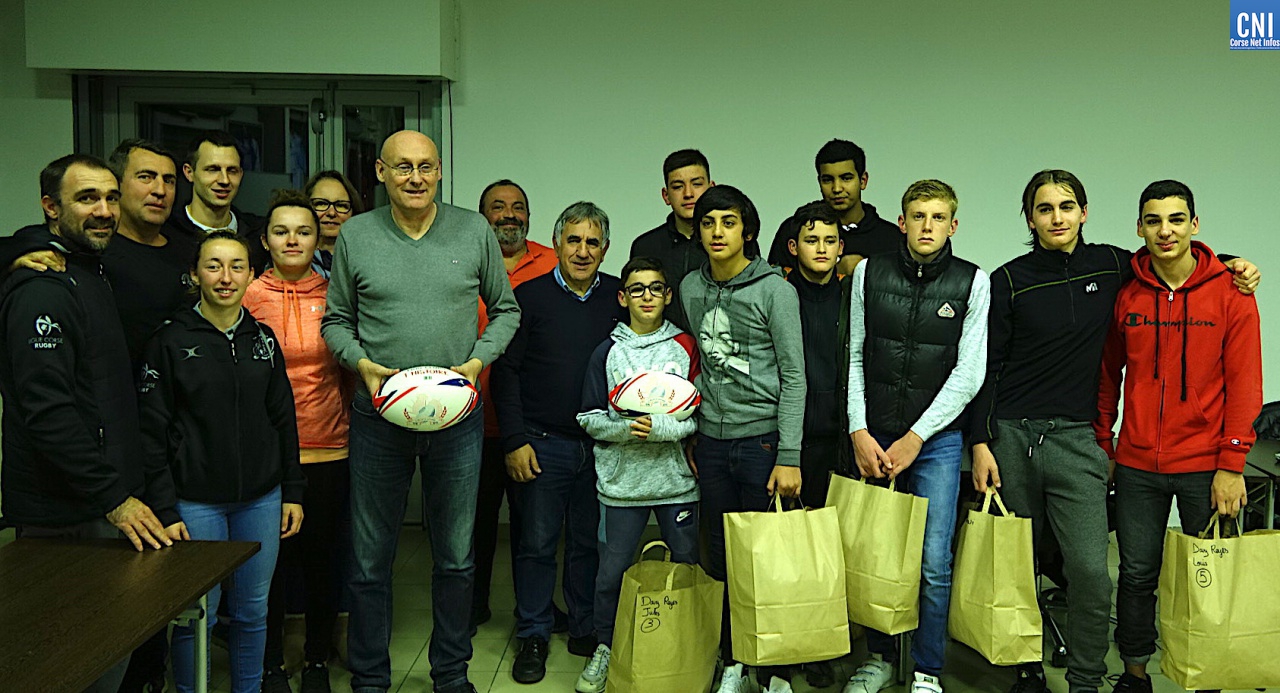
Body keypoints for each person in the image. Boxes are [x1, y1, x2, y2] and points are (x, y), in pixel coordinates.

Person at [968, 170, 1260, 693]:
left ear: (1084, 212)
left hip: (1107, 445)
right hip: (1029, 439)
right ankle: (1041, 671)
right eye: (1044, 208)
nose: (1057, 217)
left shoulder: (1115, 267)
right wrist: (982, 440)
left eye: (1067, 206)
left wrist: (1235, 263)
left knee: (1096, 571)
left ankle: (1089, 679)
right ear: (1029, 218)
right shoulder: (1016, 279)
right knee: (1026, 566)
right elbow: (990, 368)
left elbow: (1178, 264)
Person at [321, 130, 520, 693]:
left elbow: (506, 310)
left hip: (456, 419)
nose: (415, 177)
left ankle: (451, 674)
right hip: (377, 417)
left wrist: (476, 363)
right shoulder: (357, 235)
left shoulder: (473, 230)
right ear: (380, 172)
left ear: (439, 172)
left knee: (456, 557)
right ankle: (370, 678)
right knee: (369, 560)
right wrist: (360, 363)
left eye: (426, 166)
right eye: (403, 166)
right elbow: (336, 320)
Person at [0, 154, 178, 693]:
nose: (103, 210)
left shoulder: (89, 271)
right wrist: (115, 499)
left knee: (109, 658)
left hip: (102, 502)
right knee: (70, 664)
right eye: (86, 199)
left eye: (109, 198)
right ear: (50, 208)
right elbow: (48, 413)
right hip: (69, 516)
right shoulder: (41, 287)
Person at [1094, 180, 1262, 693]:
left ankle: (1208, 676)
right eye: (1153, 221)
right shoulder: (1128, 295)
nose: (1165, 231)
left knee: (1208, 577)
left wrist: (1232, 465)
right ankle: (1134, 674)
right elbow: (1107, 376)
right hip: (1138, 465)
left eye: (1175, 219)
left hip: (1206, 466)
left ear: (1194, 224)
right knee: (1136, 575)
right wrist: (1105, 444)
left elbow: (1246, 383)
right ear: (1139, 228)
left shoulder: (1231, 292)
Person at [137, 230, 305, 693]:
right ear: (195, 274)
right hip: (195, 503)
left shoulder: (263, 339)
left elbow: (283, 419)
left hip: (262, 499)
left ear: (251, 275)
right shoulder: (169, 341)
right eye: (213, 266)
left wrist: (292, 490)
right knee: (198, 614)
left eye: (236, 266)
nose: (225, 277)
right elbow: (151, 434)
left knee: (252, 612)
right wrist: (165, 508)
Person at [843, 180, 989, 693]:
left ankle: (927, 669)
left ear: (953, 225)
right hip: (873, 436)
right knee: (875, 554)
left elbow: (970, 374)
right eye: (918, 216)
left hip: (937, 443)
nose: (928, 226)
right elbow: (854, 353)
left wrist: (917, 437)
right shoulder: (868, 272)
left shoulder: (973, 281)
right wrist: (858, 428)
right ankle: (880, 658)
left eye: (938, 217)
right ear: (902, 223)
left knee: (933, 562)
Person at [492, 201, 626, 685]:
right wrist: (514, 440)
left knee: (589, 544)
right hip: (542, 444)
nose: (582, 251)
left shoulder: (619, 298)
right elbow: (505, 373)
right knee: (536, 545)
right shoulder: (528, 297)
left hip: (600, 447)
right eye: (574, 240)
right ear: (556, 245)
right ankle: (533, 632)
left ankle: (585, 626)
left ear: (605, 249)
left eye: (592, 242)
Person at [680, 184, 805, 693]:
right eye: (708, 223)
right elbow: (697, 362)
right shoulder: (689, 287)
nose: (717, 232)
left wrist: (789, 454)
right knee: (722, 554)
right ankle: (733, 661)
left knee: (767, 557)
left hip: (763, 444)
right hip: (711, 444)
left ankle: (772, 669)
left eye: (728, 223)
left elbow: (794, 376)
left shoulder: (775, 291)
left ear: (747, 232)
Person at [572, 255, 701, 693]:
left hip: (676, 484)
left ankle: (687, 649)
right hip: (622, 487)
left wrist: (664, 429)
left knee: (685, 569)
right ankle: (606, 648)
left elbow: (698, 414)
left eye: (656, 288)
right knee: (611, 574)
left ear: (668, 295)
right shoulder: (607, 352)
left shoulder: (684, 346)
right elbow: (588, 417)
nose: (647, 296)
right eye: (637, 289)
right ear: (623, 297)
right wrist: (627, 430)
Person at [244, 191, 351, 693]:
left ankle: (316, 662)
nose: (293, 240)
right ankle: (268, 665)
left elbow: (350, 371)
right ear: (265, 240)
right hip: (266, 454)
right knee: (268, 567)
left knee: (322, 562)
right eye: (281, 231)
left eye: (303, 231)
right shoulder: (246, 295)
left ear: (317, 239)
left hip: (329, 448)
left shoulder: (336, 297)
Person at [471, 178, 559, 631]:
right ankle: (472, 607)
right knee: (475, 525)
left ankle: (535, 609)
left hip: (529, 423)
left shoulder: (553, 262)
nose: (509, 214)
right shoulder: (465, 261)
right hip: (471, 420)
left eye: (518, 206)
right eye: (498, 206)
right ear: (481, 215)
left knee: (533, 528)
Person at [782, 200, 854, 689]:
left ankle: (825, 646)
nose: (821, 249)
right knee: (793, 548)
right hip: (794, 439)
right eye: (812, 240)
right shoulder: (781, 294)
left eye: (830, 240)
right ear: (794, 247)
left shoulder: (854, 296)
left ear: (841, 246)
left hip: (842, 440)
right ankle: (790, 644)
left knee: (833, 548)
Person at [630, 149, 758, 332]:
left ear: (711, 188)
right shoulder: (646, 246)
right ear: (666, 195)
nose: (688, 193)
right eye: (677, 186)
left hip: (722, 343)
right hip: (663, 345)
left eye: (697, 184)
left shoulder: (733, 242)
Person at [768, 139, 900, 274]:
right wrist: (834, 270)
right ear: (819, 182)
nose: (837, 188)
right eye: (827, 180)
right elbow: (773, 282)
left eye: (846, 178)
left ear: (863, 181)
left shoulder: (891, 238)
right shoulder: (794, 230)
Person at [163, 129, 268, 271]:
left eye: (232, 171)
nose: (224, 180)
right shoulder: (167, 232)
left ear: (241, 174)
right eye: (213, 169)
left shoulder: (258, 235)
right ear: (189, 172)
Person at [305, 169, 363, 277]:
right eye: (321, 203)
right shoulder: (291, 260)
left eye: (341, 205)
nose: (331, 213)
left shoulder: (367, 260)